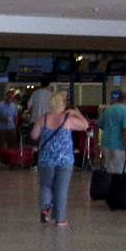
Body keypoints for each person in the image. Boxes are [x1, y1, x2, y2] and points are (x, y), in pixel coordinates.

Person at [30, 92, 89, 226]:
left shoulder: (43, 118)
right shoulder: (68, 119)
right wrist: (76, 113)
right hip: (65, 160)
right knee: (61, 188)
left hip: (46, 159)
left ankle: (45, 210)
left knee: (46, 185)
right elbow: (85, 125)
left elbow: (34, 136)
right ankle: (60, 218)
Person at [97, 89, 126, 176]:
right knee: (118, 172)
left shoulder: (108, 110)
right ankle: (115, 188)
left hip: (106, 142)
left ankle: (110, 187)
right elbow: (125, 131)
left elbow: (99, 124)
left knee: (110, 169)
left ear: (118, 99)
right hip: (119, 145)